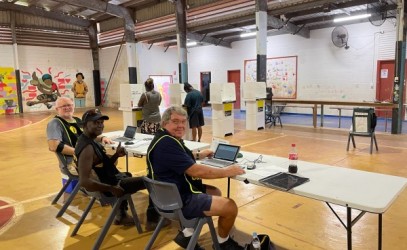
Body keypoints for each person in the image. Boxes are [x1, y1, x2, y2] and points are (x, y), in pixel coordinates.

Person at [147, 106, 245, 250]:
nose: (180, 126)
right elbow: (196, 171)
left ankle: (187, 234)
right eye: (175, 121)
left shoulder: (163, 138)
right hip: (179, 201)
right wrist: (226, 171)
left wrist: (199, 155)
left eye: (183, 122)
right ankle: (223, 243)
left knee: (215, 192)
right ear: (164, 123)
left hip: (166, 197)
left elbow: (177, 159)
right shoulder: (167, 143)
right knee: (230, 206)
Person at [75, 109, 146, 226]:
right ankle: (155, 216)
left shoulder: (90, 140)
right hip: (112, 185)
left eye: (101, 123)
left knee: (128, 175)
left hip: (111, 180)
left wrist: (116, 155)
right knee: (149, 181)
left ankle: (121, 214)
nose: (100, 125)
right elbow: (84, 181)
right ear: (85, 125)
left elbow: (102, 166)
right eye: (95, 122)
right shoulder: (87, 148)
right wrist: (111, 189)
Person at [47, 97, 112, 190]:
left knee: (108, 159)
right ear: (57, 109)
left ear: (73, 106)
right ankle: (103, 192)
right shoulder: (55, 123)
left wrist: (102, 138)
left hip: (84, 158)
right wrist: (81, 152)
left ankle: (103, 188)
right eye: (63, 106)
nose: (67, 108)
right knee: (106, 163)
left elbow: (87, 136)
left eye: (69, 105)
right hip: (72, 163)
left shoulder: (77, 120)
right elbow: (54, 146)